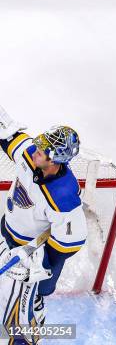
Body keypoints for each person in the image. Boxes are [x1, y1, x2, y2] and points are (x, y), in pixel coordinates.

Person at [0, 105, 85, 342]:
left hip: (27, 256)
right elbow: (9, 138)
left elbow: (68, 245)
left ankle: (33, 311)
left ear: (56, 159)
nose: (35, 150)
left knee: (21, 320)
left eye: (43, 150)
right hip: (7, 233)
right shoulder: (30, 156)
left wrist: (40, 267)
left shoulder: (64, 196)